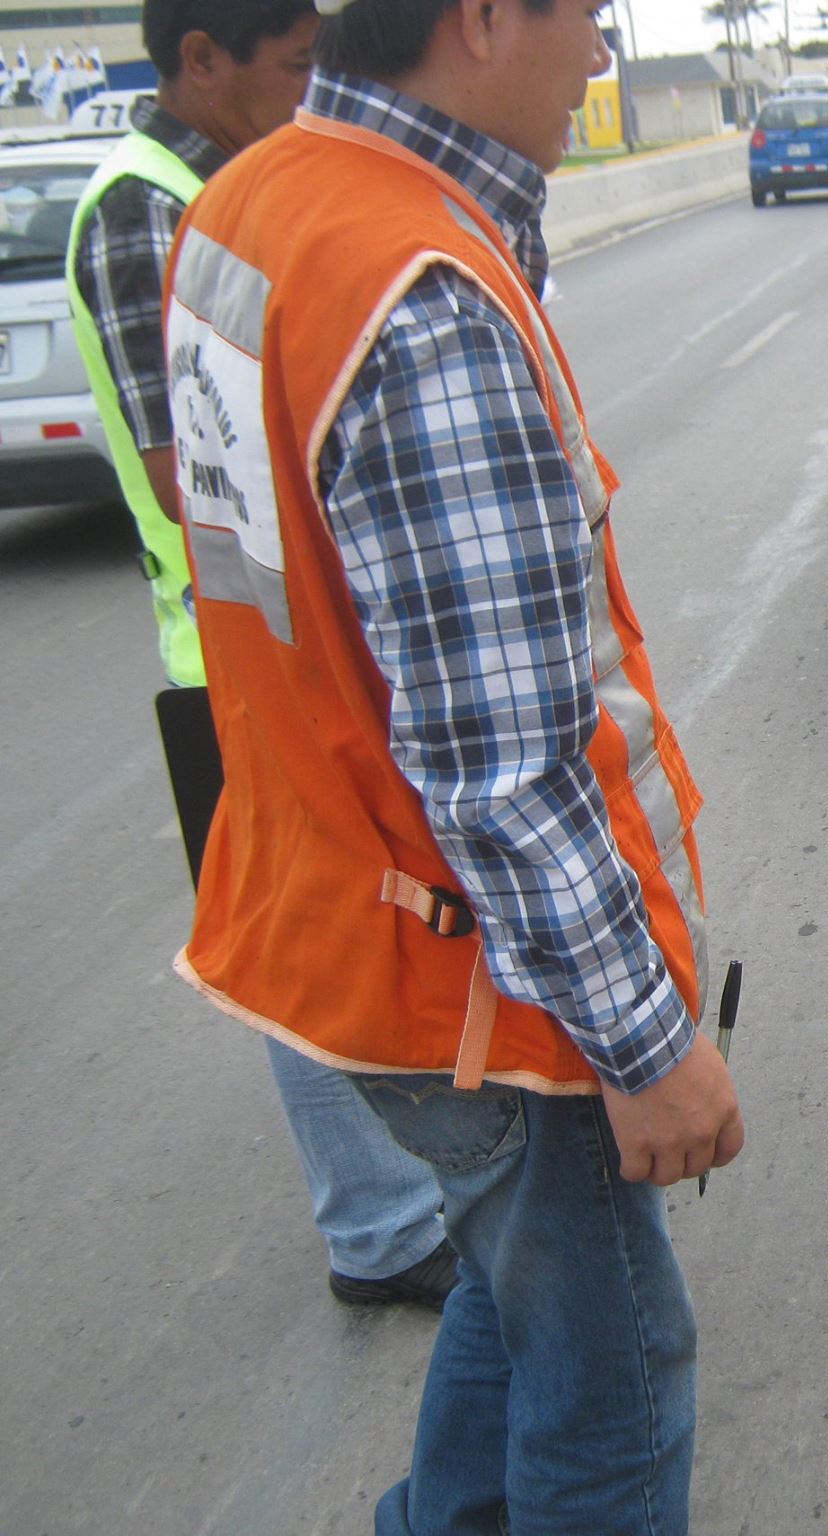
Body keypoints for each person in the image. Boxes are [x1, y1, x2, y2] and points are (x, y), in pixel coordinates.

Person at [161, 0, 744, 1530]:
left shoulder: (249, 198)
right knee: (615, 1382)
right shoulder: (419, 297)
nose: (607, 57)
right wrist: (647, 1046)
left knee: (520, 1280)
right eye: (593, 18)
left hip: (332, 914)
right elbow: (500, 772)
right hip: (479, 985)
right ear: (485, 18)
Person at [63, 0, 457, 1312]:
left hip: (275, 638)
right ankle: (381, 1230)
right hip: (226, 651)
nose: (304, 96)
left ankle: (402, 1196)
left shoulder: (220, 182)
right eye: (291, 68)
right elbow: (193, 473)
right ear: (198, 62)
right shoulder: (142, 210)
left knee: (342, 913)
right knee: (303, 934)